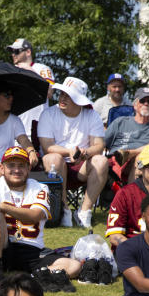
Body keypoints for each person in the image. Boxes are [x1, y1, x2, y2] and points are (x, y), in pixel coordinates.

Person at [0, 147, 81, 287]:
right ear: (2, 168)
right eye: (11, 165)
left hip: (31, 250)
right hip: (3, 246)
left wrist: (3, 207)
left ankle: (34, 277)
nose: (17, 170)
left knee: (74, 266)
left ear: (28, 169)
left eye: (21, 165)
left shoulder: (40, 187)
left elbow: (35, 215)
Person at [37, 76, 105, 228]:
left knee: (101, 161)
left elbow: (99, 145)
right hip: (56, 165)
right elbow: (47, 146)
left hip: (82, 166)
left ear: (78, 100)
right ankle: (64, 210)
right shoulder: (48, 114)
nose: (62, 98)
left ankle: (84, 211)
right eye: (62, 94)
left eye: (68, 96)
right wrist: (69, 152)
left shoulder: (92, 115)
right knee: (53, 158)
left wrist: (84, 153)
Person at [93, 87, 149, 190]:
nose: (146, 104)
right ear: (135, 105)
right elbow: (101, 143)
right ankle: (132, 199)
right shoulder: (120, 122)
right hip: (120, 163)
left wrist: (135, 153)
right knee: (140, 159)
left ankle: (132, 153)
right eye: (142, 101)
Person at [6, 38, 54, 134]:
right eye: (12, 51)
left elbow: (49, 93)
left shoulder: (42, 69)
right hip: (16, 129)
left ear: (28, 52)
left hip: (39, 128)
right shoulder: (10, 71)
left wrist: (30, 71)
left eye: (16, 51)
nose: (13, 54)